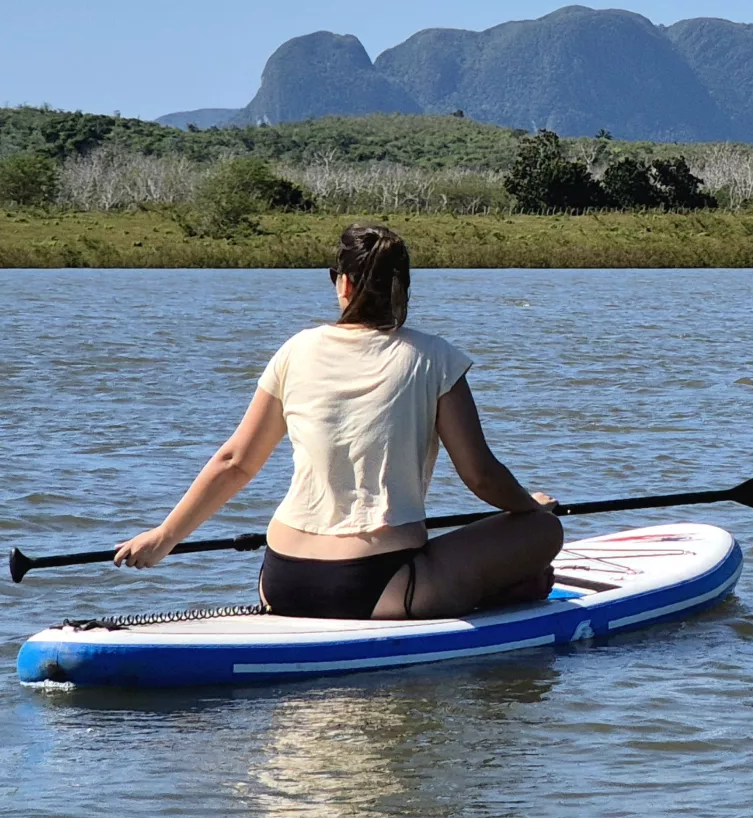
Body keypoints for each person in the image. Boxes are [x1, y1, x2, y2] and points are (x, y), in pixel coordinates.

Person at [111, 224, 563, 620]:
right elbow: (480, 475)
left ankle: (507, 589)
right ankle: (511, 591)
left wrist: (164, 536)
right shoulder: (434, 357)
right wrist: (528, 506)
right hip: (381, 583)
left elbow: (235, 462)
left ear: (340, 283)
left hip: (283, 579)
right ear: (403, 286)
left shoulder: (295, 350)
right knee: (544, 531)